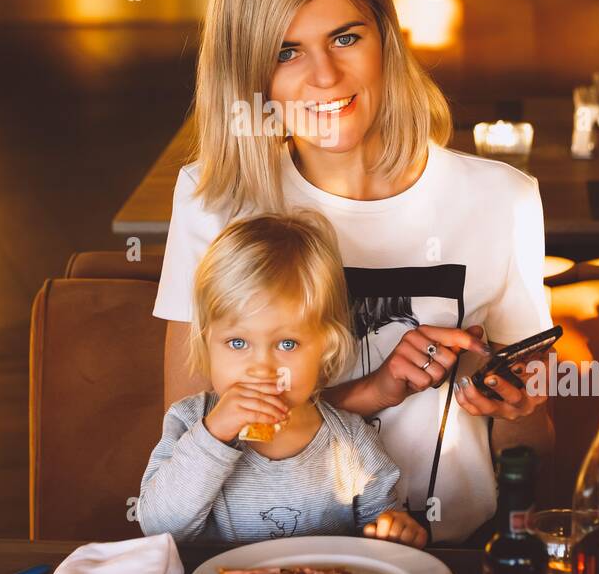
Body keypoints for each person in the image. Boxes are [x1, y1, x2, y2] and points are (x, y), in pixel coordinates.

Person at [153, 0, 555, 545]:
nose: (325, 78)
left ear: (386, 37)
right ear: (249, 71)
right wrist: (372, 391)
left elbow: (531, 445)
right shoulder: (213, 202)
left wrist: (514, 405)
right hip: (262, 564)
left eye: (345, 38)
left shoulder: (502, 200)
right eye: (287, 51)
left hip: (451, 557)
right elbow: (198, 433)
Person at [139, 211, 427, 548]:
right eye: (237, 343)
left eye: (286, 344)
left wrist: (394, 531)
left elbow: (380, 533)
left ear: (326, 348)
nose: (261, 367)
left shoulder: (353, 443)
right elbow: (158, 528)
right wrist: (214, 435)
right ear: (207, 344)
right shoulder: (190, 423)